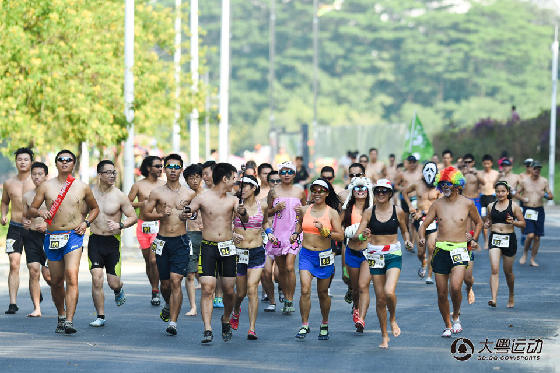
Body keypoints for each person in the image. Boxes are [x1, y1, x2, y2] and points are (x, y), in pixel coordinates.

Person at [29, 149, 100, 334]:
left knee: (71, 275)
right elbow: (32, 210)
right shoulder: (46, 186)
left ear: (73, 164)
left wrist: (86, 223)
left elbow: (94, 209)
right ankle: (61, 315)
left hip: (73, 235)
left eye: (68, 160)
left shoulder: (82, 186)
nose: (64, 162)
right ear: (56, 163)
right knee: (56, 281)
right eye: (61, 159)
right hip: (52, 237)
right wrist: (40, 212)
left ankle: (69, 320)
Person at [187, 163, 248, 343]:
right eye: (233, 178)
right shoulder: (203, 197)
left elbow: (244, 218)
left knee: (230, 291)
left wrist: (243, 214)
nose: (235, 182)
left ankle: (225, 319)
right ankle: (207, 329)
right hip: (208, 247)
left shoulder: (233, 200)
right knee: (207, 288)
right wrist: (185, 212)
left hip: (228, 248)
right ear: (225, 179)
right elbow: (189, 211)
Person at [418, 167, 482, 337]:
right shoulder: (437, 204)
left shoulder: (467, 203)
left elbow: (479, 222)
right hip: (441, 250)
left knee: (455, 287)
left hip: (460, 249)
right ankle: (447, 324)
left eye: (449, 183)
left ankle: (456, 316)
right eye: (442, 184)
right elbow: (424, 224)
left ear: (456, 185)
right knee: (441, 292)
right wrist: (421, 236)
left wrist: (474, 237)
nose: (445, 187)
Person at [354, 179, 412, 348]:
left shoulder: (398, 211)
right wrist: (364, 234)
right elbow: (358, 235)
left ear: (389, 194)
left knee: (388, 291)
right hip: (375, 255)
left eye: (384, 191)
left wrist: (408, 241)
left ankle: (393, 318)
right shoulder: (368, 212)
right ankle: (384, 336)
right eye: (378, 191)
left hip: (393, 253)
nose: (380, 193)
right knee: (380, 299)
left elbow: (405, 230)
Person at [142, 154, 195, 335]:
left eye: (177, 167)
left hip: (181, 240)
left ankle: (173, 322)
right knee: (165, 285)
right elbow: (145, 214)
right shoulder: (157, 192)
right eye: (170, 166)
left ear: (181, 169)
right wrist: (161, 214)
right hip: (162, 240)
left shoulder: (189, 193)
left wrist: (189, 215)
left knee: (175, 280)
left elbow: (196, 213)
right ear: (164, 169)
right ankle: (167, 303)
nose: (173, 170)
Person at [291, 178, 343, 340]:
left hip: (324, 255)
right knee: (305, 289)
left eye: (321, 190)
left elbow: (340, 236)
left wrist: (325, 231)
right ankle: (304, 325)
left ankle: (324, 323)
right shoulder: (305, 209)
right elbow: (299, 225)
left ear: (327, 193)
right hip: (306, 254)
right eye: (314, 190)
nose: (317, 193)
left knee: (322, 293)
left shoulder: (332, 213)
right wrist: (295, 233)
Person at [88, 160, 137, 327]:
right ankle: (100, 316)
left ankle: (118, 289)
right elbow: (79, 214)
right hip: (95, 240)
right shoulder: (89, 194)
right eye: (108, 172)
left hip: (112, 242)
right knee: (96, 278)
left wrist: (120, 225)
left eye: (114, 172)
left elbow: (133, 217)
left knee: (113, 282)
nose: (112, 175)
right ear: (99, 175)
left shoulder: (120, 196)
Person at [229, 175, 270, 340]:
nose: (243, 189)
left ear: (254, 188)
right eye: (241, 186)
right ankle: (236, 310)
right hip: (239, 253)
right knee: (240, 293)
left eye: (247, 186)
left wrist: (270, 233)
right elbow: (226, 225)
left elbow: (265, 223)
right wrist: (232, 235)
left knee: (253, 288)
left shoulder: (263, 205)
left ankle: (252, 328)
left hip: (257, 251)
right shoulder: (235, 205)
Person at [266, 161, 306, 314]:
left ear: (294, 174)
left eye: (290, 172)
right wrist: (275, 209)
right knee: (281, 268)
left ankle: (289, 299)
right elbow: (266, 212)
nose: (286, 175)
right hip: (277, 233)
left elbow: (306, 209)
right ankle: (284, 294)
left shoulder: (299, 191)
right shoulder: (273, 191)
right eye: (283, 172)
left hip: (294, 232)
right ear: (279, 174)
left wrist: (301, 210)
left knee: (290, 266)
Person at [1, 147, 36, 314]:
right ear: (16, 162)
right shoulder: (8, 183)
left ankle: (36, 291)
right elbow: (4, 202)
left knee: (34, 267)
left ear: (31, 162)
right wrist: (3, 215)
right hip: (14, 228)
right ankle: (13, 303)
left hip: (33, 228)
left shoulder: (37, 183)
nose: (22, 162)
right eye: (19, 159)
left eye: (26, 159)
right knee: (14, 264)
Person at [128, 155, 164, 306]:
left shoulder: (164, 185)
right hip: (143, 226)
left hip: (158, 226)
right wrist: (142, 203)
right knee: (147, 262)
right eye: (157, 166)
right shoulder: (138, 185)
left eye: (161, 166)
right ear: (149, 168)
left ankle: (156, 291)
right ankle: (153, 288)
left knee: (154, 260)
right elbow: (128, 203)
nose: (160, 169)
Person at [485, 181, 525, 308]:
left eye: (503, 191)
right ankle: (494, 298)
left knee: (508, 272)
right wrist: (487, 224)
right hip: (495, 238)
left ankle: (511, 295)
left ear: (507, 192)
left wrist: (513, 222)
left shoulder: (514, 206)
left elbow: (523, 223)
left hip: (509, 239)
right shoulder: (491, 206)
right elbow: (489, 220)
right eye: (497, 191)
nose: (500, 194)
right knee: (494, 269)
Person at [340, 177, 372, 325]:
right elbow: (338, 228)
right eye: (357, 188)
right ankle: (356, 307)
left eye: (363, 188)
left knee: (363, 286)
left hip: (368, 252)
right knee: (354, 287)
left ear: (368, 191)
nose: (360, 191)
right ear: (352, 192)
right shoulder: (347, 210)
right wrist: (346, 232)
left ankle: (361, 319)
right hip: (352, 250)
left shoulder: (373, 209)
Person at [22, 161, 52, 317]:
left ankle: (61, 295)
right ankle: (37, 308)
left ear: (46, 176)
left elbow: (62, 216)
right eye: (34, 174)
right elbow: (25, 216)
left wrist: (48, 226)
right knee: (34, 270)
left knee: (48, 275)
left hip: (50, 237)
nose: (37, 177)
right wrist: (25, 222)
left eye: (40, 174)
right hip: (32, 236)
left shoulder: (53, 194)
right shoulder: (27, 196)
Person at [403, 162, 441, 284]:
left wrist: (426, 212)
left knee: (431, 248)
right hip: (418, 220)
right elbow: (404, 192)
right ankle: (423, 262)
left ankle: (429, 276)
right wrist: (410, 207)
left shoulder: (438, 187)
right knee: (420, 252)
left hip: (432, 219)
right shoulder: (417, 184)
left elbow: (441, 203)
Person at [516, 161, 554, 267]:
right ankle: (524, 253)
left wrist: (545, 195)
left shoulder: (544, 181)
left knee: (537, 237)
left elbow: (551, 196)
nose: (537, 170)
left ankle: (532, 259)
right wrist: (523, 198)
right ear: (531, 169)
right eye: (535, 168)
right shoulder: (524, 181)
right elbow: (516, 193)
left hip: (539, 210)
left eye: (539, 169)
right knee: (530, 235)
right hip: (528, 210)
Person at [183, 164, 204, 316]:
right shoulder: (183, 196)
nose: (195, 181)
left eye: (197, 177)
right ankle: (193, 307)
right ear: (186, 180)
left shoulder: (208, 195)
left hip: (207, 236)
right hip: (189, 235)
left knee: (208, 273)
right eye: (191, 178)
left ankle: (213, 298)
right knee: (190, 273)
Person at [261, 170, 281, 312]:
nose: (275, 183)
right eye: (272, 181)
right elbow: (262, 218)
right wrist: (274, 209)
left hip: (283, 240)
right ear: (268, 182)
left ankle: (282, 288)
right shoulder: (262, 202)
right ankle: (272, 301)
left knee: (281, 273)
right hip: (267, 238)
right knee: (266, 271)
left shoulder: (289, 199)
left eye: (278, 181)